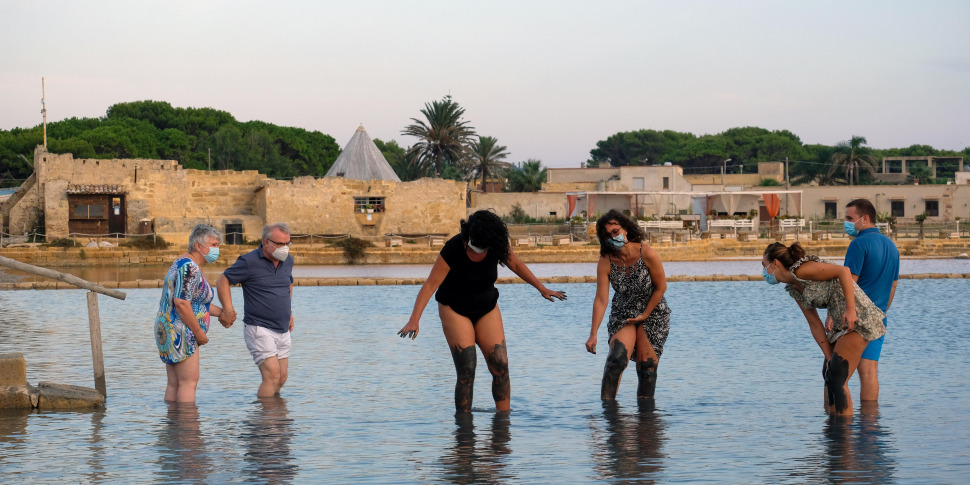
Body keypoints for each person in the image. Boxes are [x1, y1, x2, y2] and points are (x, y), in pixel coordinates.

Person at [397, 210, 566, 413]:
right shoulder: (454, 247)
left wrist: (541, 288)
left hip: (486, 307)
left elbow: (517, 264)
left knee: (501, 366)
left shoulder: (497, 245)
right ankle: (464, 432)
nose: (477, 250)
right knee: (467, 371)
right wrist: (414, 319)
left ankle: (503, 426)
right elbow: (430, 285)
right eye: (474, 244)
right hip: (454, 308)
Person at [762, 242, 886, 415]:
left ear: (775, 263)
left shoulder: (802, 270)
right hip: (839, 322)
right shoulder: (794, 287)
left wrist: (850, 310)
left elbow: (844, 271)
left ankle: (844, 434)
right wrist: (828, 356)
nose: (763, 272)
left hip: (857, 316)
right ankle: (834, 427)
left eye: (764, 265)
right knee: (829, 373)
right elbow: (814, 324)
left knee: (837, 377)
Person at [586, 210, 672, 401]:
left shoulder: (646, 252)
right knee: (615, 360)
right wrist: (593, 334)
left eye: (615, 231)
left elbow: (661, 287)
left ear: (626, 229)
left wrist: (644, 314)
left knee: (646, 367)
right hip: (623, 313)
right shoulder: (606, 261)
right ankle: (609, 417)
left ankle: (646, 422)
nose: (613, 237)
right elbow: (601, 299)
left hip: (653, 312)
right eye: (607, 235)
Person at [217, 222, 295, 397]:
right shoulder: (249, 261)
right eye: (279, 244)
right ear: (266, 242)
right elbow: (223, 280)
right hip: (259, 327)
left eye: (287, 243)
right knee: (272, 376)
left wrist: (289, 312)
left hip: (283, 328)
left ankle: (276, 419)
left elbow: (288, 284)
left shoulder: (288, 260)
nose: (284, 248)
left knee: (282, 377)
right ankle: (265, 420)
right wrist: (228, 309)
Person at [154, 224, 224, 402]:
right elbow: (182, 303)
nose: (217, 249)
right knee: (188, 382)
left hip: (169, 328)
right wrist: (199, 333)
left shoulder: (182, 262)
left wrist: (222, 313)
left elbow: (196, 304)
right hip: (181, 332)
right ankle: (188, 427)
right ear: (199, 246)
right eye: (214, 245)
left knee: (175, 383)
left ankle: (173, 425)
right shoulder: (190, 268)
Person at [839, 199, 899, 403]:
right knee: (869, 372)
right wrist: (880, 312)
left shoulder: (858, 244)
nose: (846, 223)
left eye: (849, 218)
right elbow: (893, 285)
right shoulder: (891, 245)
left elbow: (850, 283)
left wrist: (836, 313)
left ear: (865, 218)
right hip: (879, 317)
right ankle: (870, 425)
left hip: (856, 318)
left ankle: (840, 423)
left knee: (838, 374)